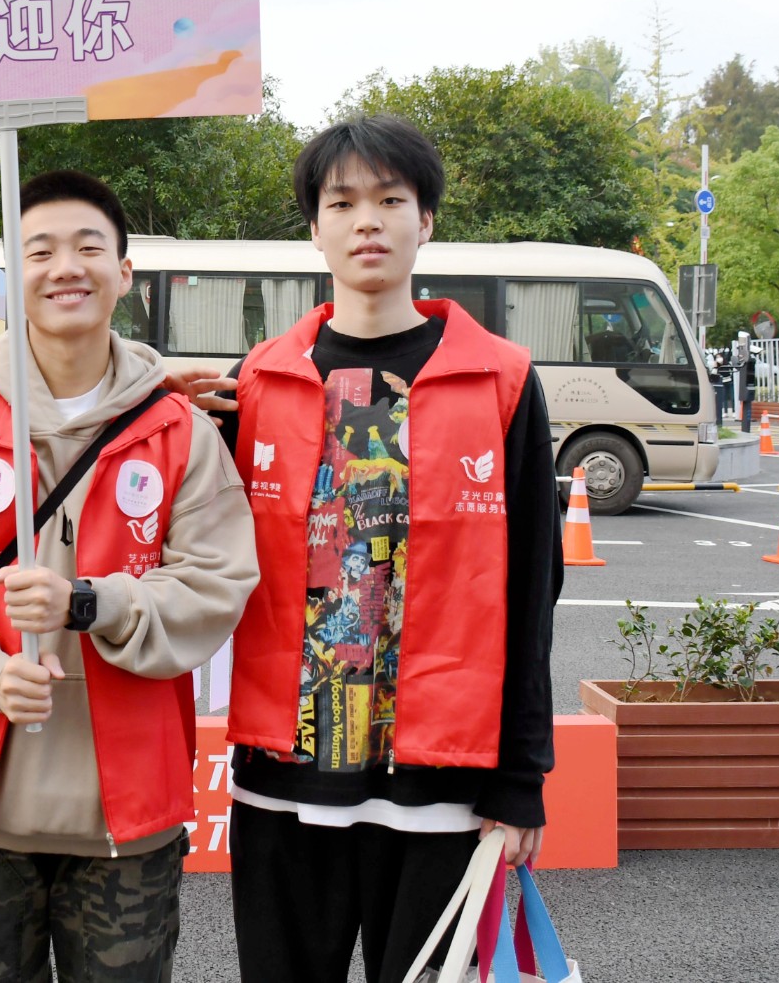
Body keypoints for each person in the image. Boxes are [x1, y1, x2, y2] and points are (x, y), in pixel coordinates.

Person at [209, 116, 564, 983]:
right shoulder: (259, 380)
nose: (366, 220)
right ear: (315, 226)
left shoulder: (502, 380)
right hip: (284, 780)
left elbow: (532, 588)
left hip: (441, 788)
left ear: (425, 219)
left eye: (390, 200)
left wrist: (521, 778)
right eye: (342, 202)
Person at [0, 170, 259, 983]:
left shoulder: (180, 433)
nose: (65, 267)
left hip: (130, 815)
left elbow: (216, 582)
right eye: (40, 250)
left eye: (89, 247)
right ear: (13, 274)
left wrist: (93, 601)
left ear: (124, 272)